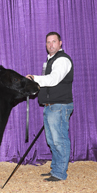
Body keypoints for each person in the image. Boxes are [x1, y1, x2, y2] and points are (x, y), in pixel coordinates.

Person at [26, 32, 74, 182]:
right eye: (48, 42)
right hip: (51, 106)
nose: (51, 45)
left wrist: (34, 78)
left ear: (60, 43)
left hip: (59, 105)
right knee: (52, 140)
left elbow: (53, 80)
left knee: (59, 140)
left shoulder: (62, 60)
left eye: (54, 41)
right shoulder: (50, 60)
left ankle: (60, 173)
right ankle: (56, 169)